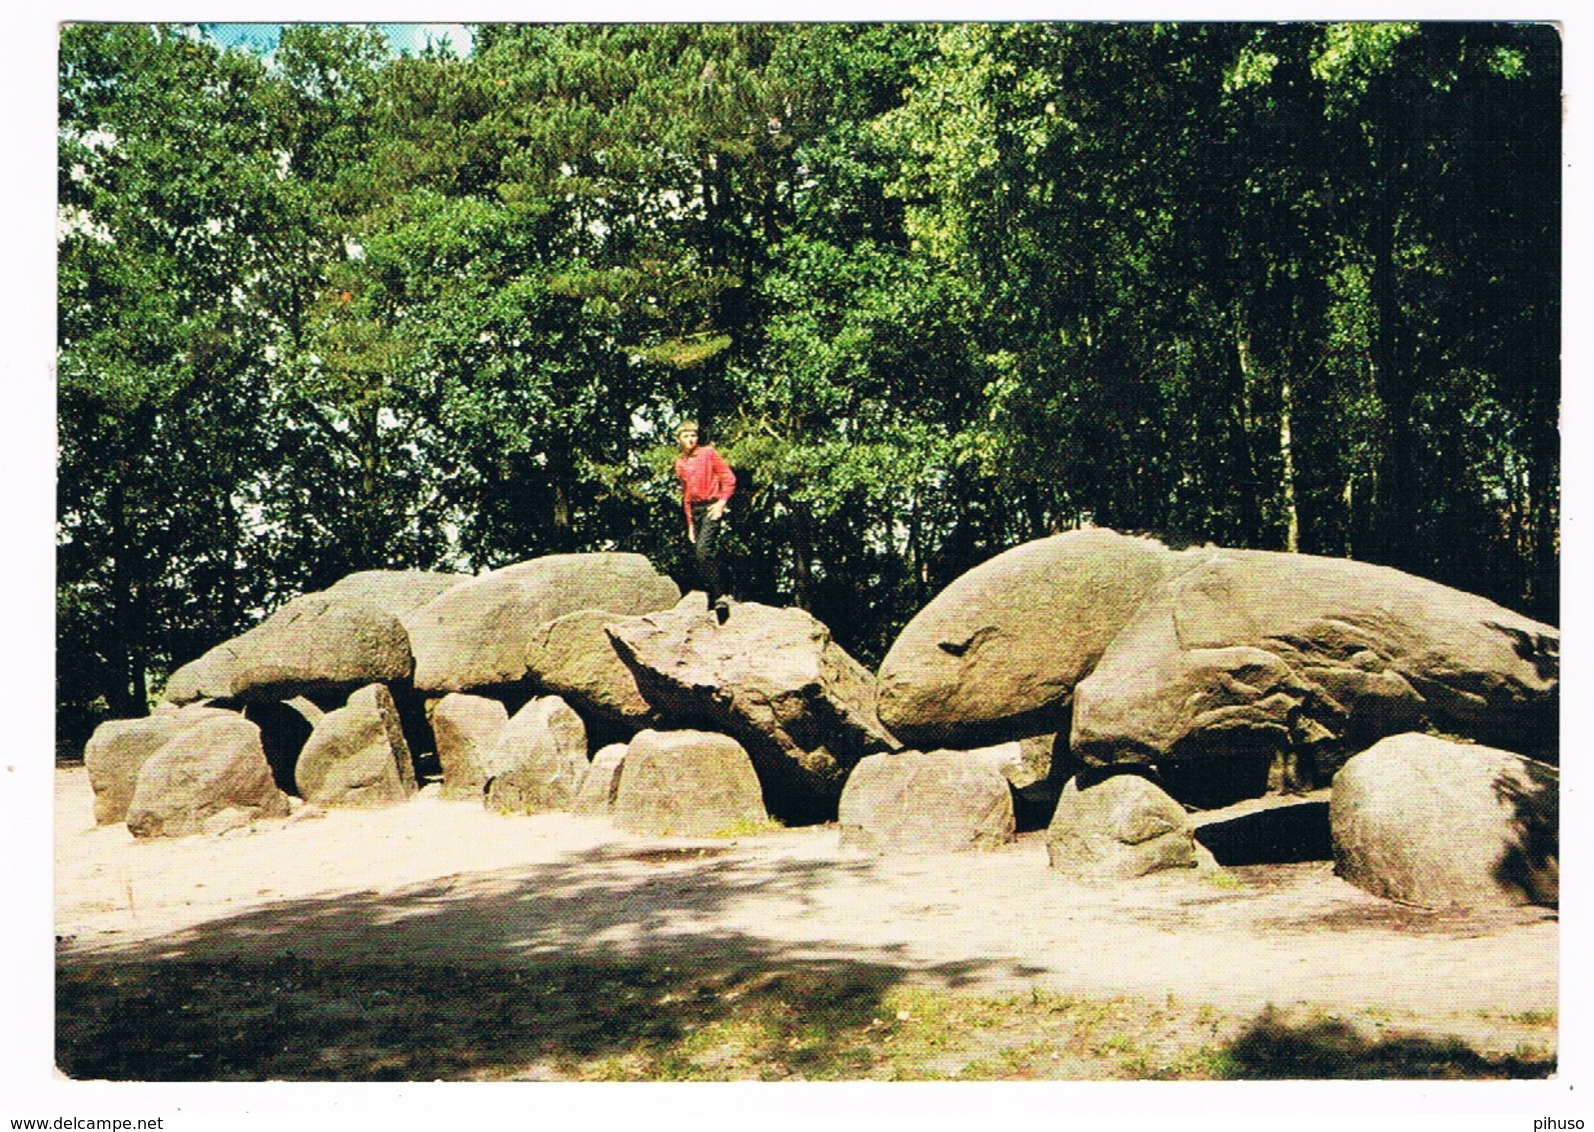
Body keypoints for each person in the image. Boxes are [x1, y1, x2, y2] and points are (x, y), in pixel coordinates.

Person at [673, 419, 736, 622]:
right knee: (699, 556)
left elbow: (729, 478)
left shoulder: (708, 453)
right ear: (679, 439)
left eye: (693, 435)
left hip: (711, 506)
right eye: (686, 436)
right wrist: (690, 524)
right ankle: (714, 595)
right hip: (696, 510)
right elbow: (686, 496)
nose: (691, 439)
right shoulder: (680, 464)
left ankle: (720, 595)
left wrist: (721, 503)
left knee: (703, 552)